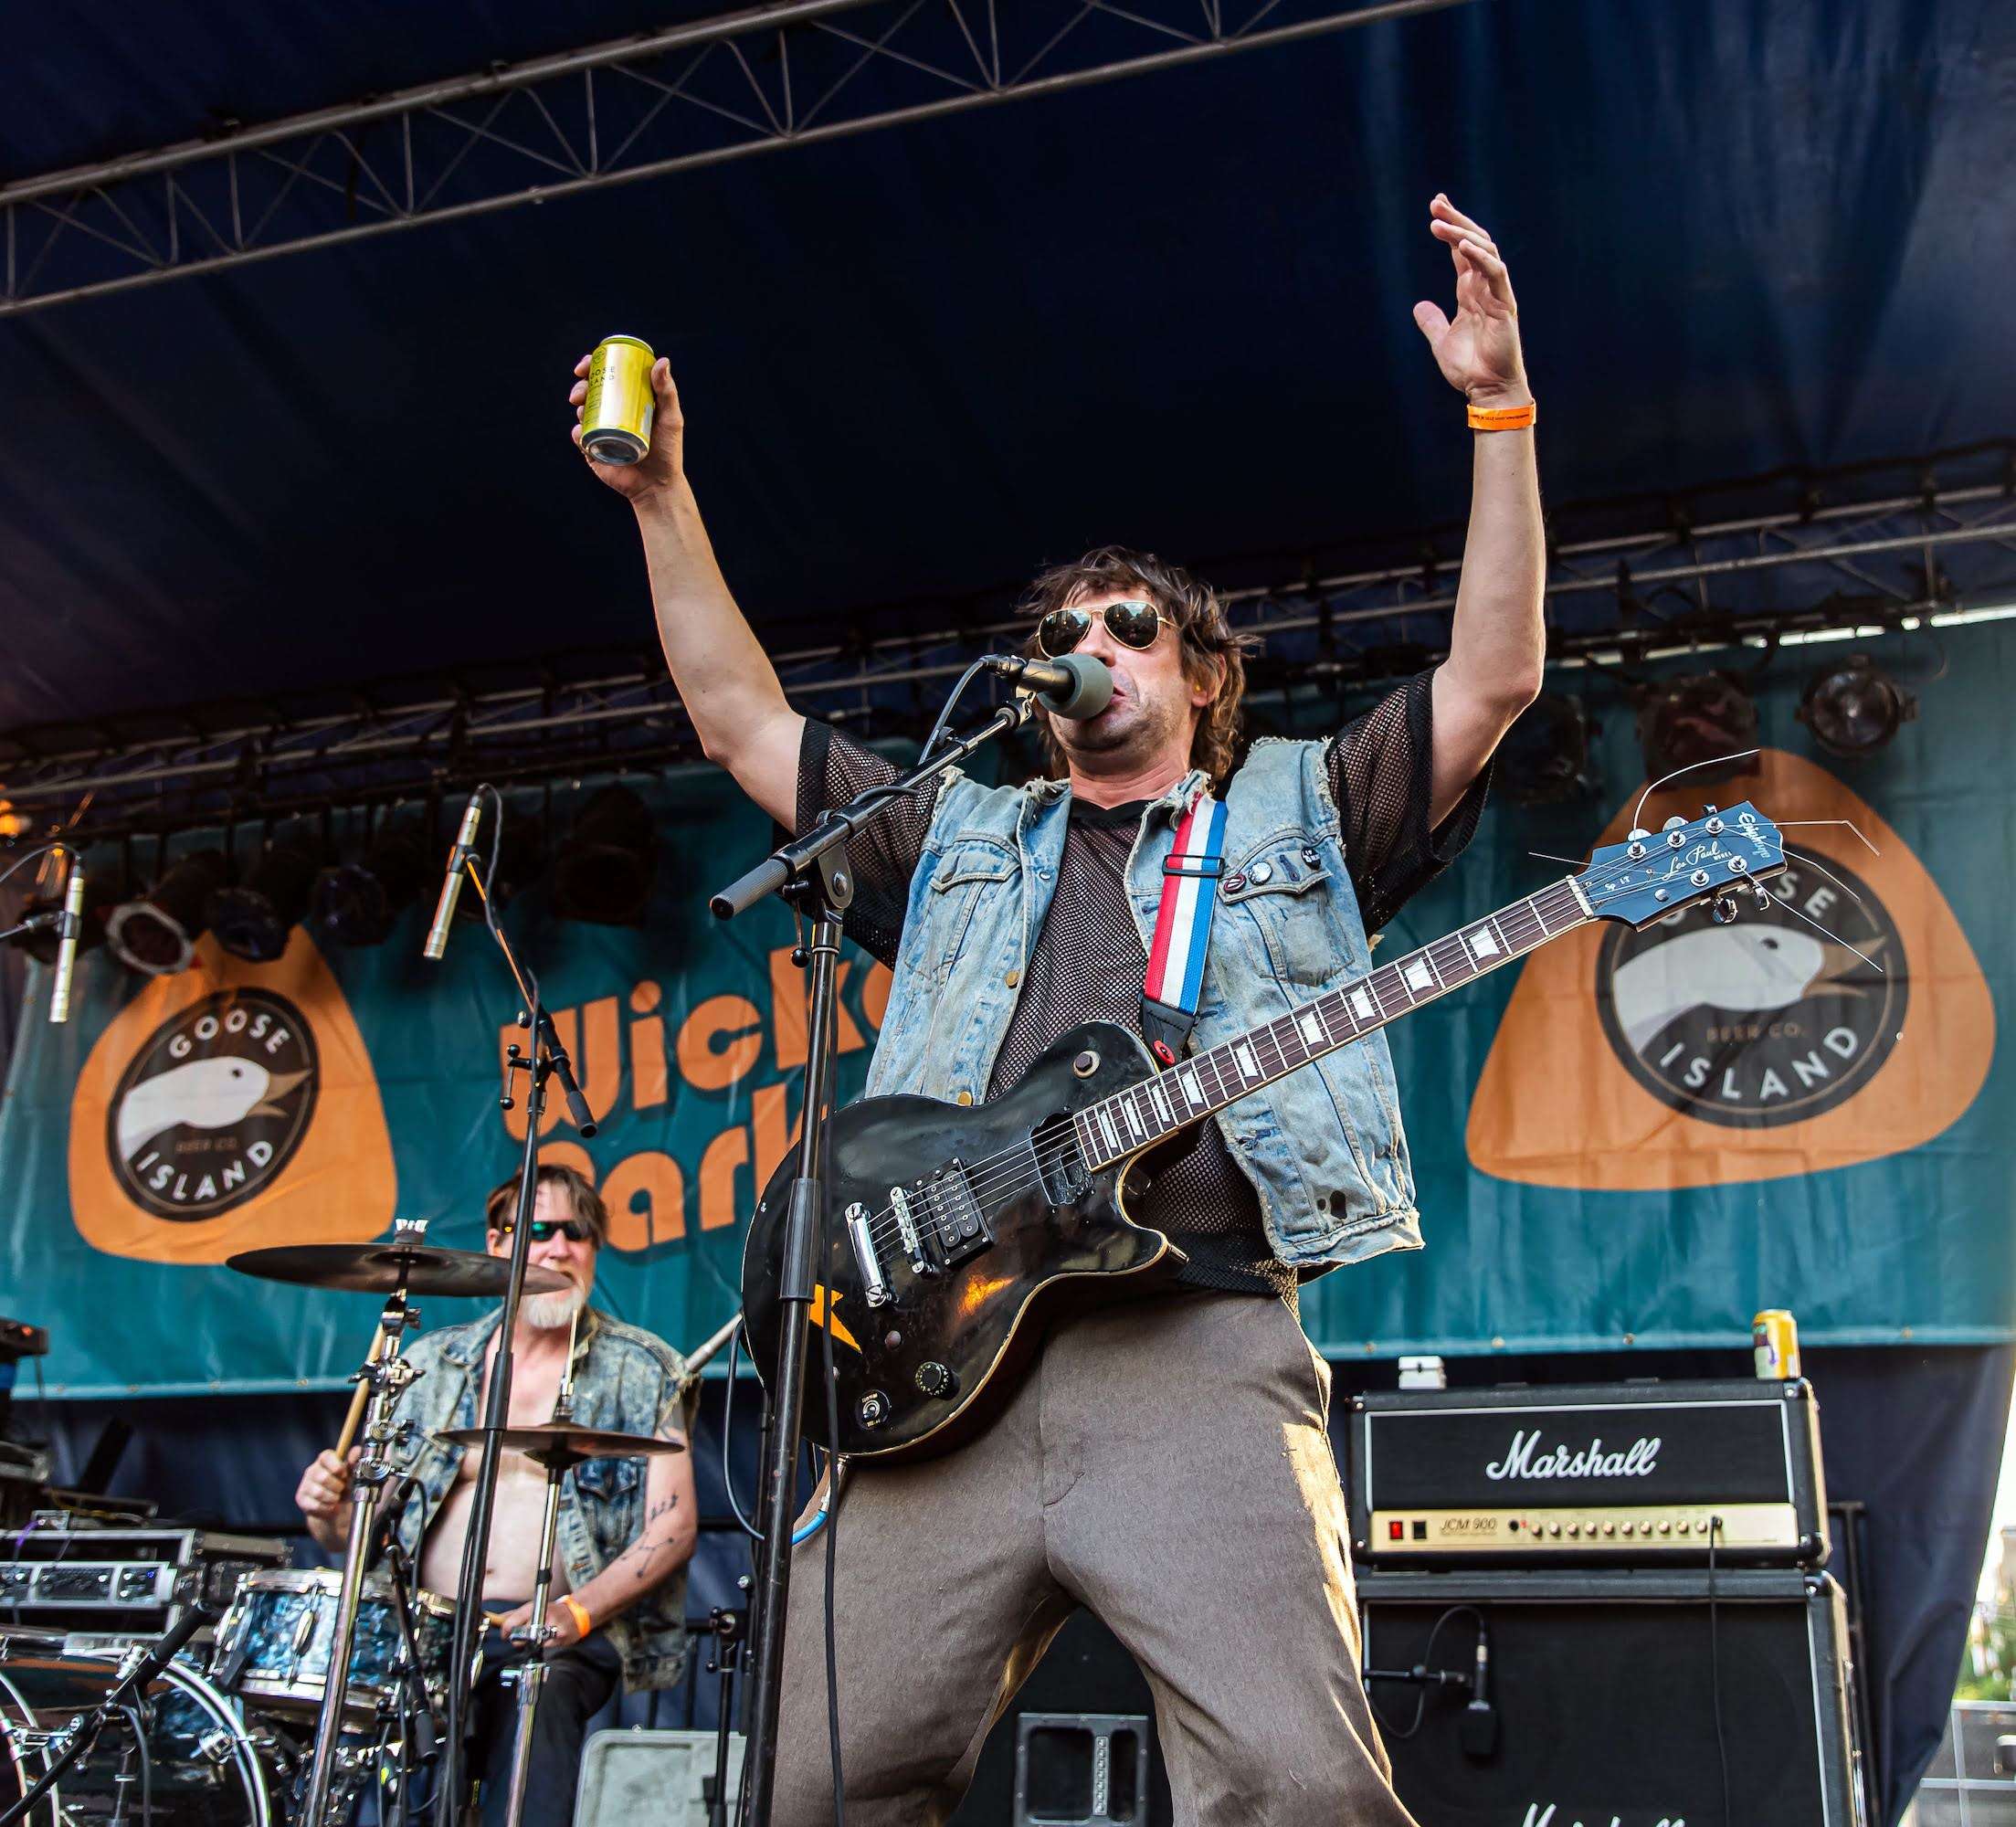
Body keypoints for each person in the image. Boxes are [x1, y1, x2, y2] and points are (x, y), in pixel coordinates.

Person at [570, 193, 1542, 1824]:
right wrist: (664, 500)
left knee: (1298, 1785)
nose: (1086, 645)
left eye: (1126, 628)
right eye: (1060, 633)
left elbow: (1493, 676)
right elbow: (742, 721)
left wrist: (1498, 413)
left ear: (1199, 675)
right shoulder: (959, 825)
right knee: (812, 1787)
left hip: (1191, 1352)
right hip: (941, 1376)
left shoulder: (1299, 810)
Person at [295, 1164, 699, 1825]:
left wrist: (578, 1612)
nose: (559, 1249)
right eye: (538, 1231)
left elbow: (673, 1527)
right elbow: (358, 1537)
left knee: (540, 1708)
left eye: (578, 1232)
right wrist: (331, 1513)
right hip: (426, 1633)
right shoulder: (428, 1366)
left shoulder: (643, 1366)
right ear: (497, 1243)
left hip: (554, 1636)